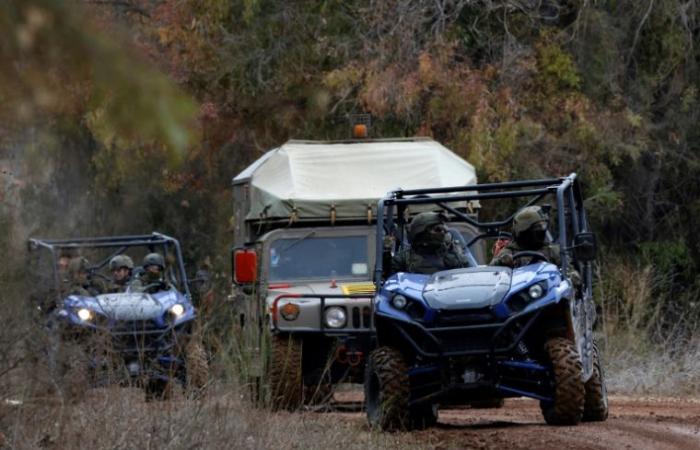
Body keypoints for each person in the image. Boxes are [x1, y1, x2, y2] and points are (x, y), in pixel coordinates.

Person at [392, 212, 469, 275]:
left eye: (444, 229)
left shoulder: (453, 255)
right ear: (421, 233)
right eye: (438, 229)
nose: (443, 232)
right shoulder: (404, 259)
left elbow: (468, 277)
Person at [490, 205, 562, 267]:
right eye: (537, 228)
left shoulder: (551, 250)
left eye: (542, 226)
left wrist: (571, 276)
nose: (541, 230)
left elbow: (568, 272)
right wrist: (501, 262)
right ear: (525, 231)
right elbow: (492, 271)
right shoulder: (509, 252)